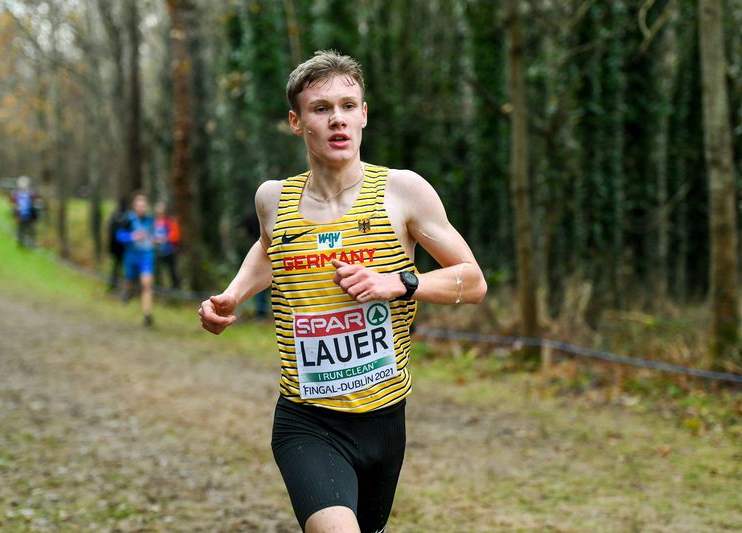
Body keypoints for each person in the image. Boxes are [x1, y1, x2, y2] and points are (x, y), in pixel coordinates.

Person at [198, 50, 486, 533]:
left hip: (384, 420)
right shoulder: (274, 199)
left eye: (348, 106)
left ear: (364, 114)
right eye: (321, 108)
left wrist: (400, 282)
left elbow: (472, 281)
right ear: (296, 122)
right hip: (306, 420)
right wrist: (232, 295)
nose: (337, 119)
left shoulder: (402, 192)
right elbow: (270, 248)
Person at [117, 192, 156, 327]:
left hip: (146, 256)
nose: (142, 208)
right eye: (139, 206)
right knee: (130, 282)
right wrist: (132, 236)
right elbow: (119, 235)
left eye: (144, 206)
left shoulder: (151, 219)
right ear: (134, 206)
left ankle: (147, 314)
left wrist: (156, 240)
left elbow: (154, 235)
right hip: (131, 256)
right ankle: (128, 292)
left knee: (147, 284)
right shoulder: (128, 219)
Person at [153, 201, 181, 290]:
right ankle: (159, 287)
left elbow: (175, 235)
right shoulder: (154, 221)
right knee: (158, 271)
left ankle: (175, 288)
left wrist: (166, 238)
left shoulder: (170, 221)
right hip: (156, 251)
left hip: (169, 250)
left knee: (171, 270)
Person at [107, 197, 130, 292]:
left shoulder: (116, 215)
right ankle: (116, 286)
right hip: (121, 247)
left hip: (118, 247)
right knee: (120, 268)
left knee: (118, 267)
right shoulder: (125, 216)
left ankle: (117, 286)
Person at [10, 176, 39, 247]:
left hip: (30, 215)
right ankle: (21, 243)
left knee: (31, 229)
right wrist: (15, 212)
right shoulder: (16, 194)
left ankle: (32, 244)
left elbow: (36, 202)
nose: (23, 186)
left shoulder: (31, 194)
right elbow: (12, 203)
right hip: (20, 215)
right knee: (21, 229)